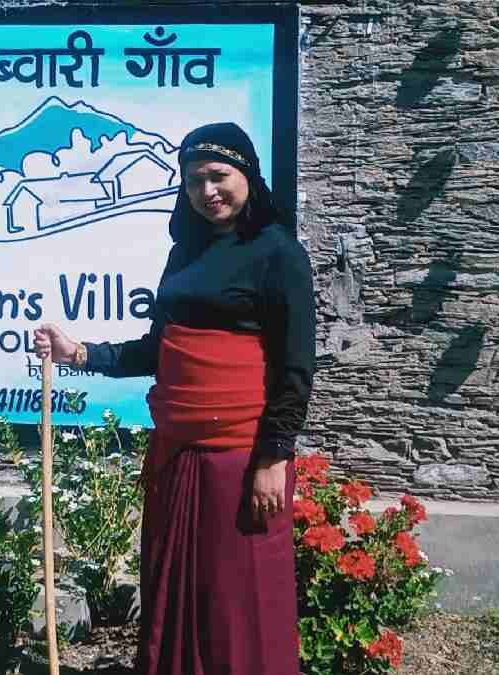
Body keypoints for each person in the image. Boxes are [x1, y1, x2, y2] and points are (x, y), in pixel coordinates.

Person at [33, 122, 316, 675]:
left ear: (247, 175)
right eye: (193, 181)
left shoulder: (278, 253)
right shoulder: (185, 253)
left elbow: (295, 366)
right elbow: (158, 348)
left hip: (240, 457)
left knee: (239, 601)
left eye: (218, 176)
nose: (207, 191)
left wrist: (274, 457)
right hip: (177, 452)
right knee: (174, 588)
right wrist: (80, 353)